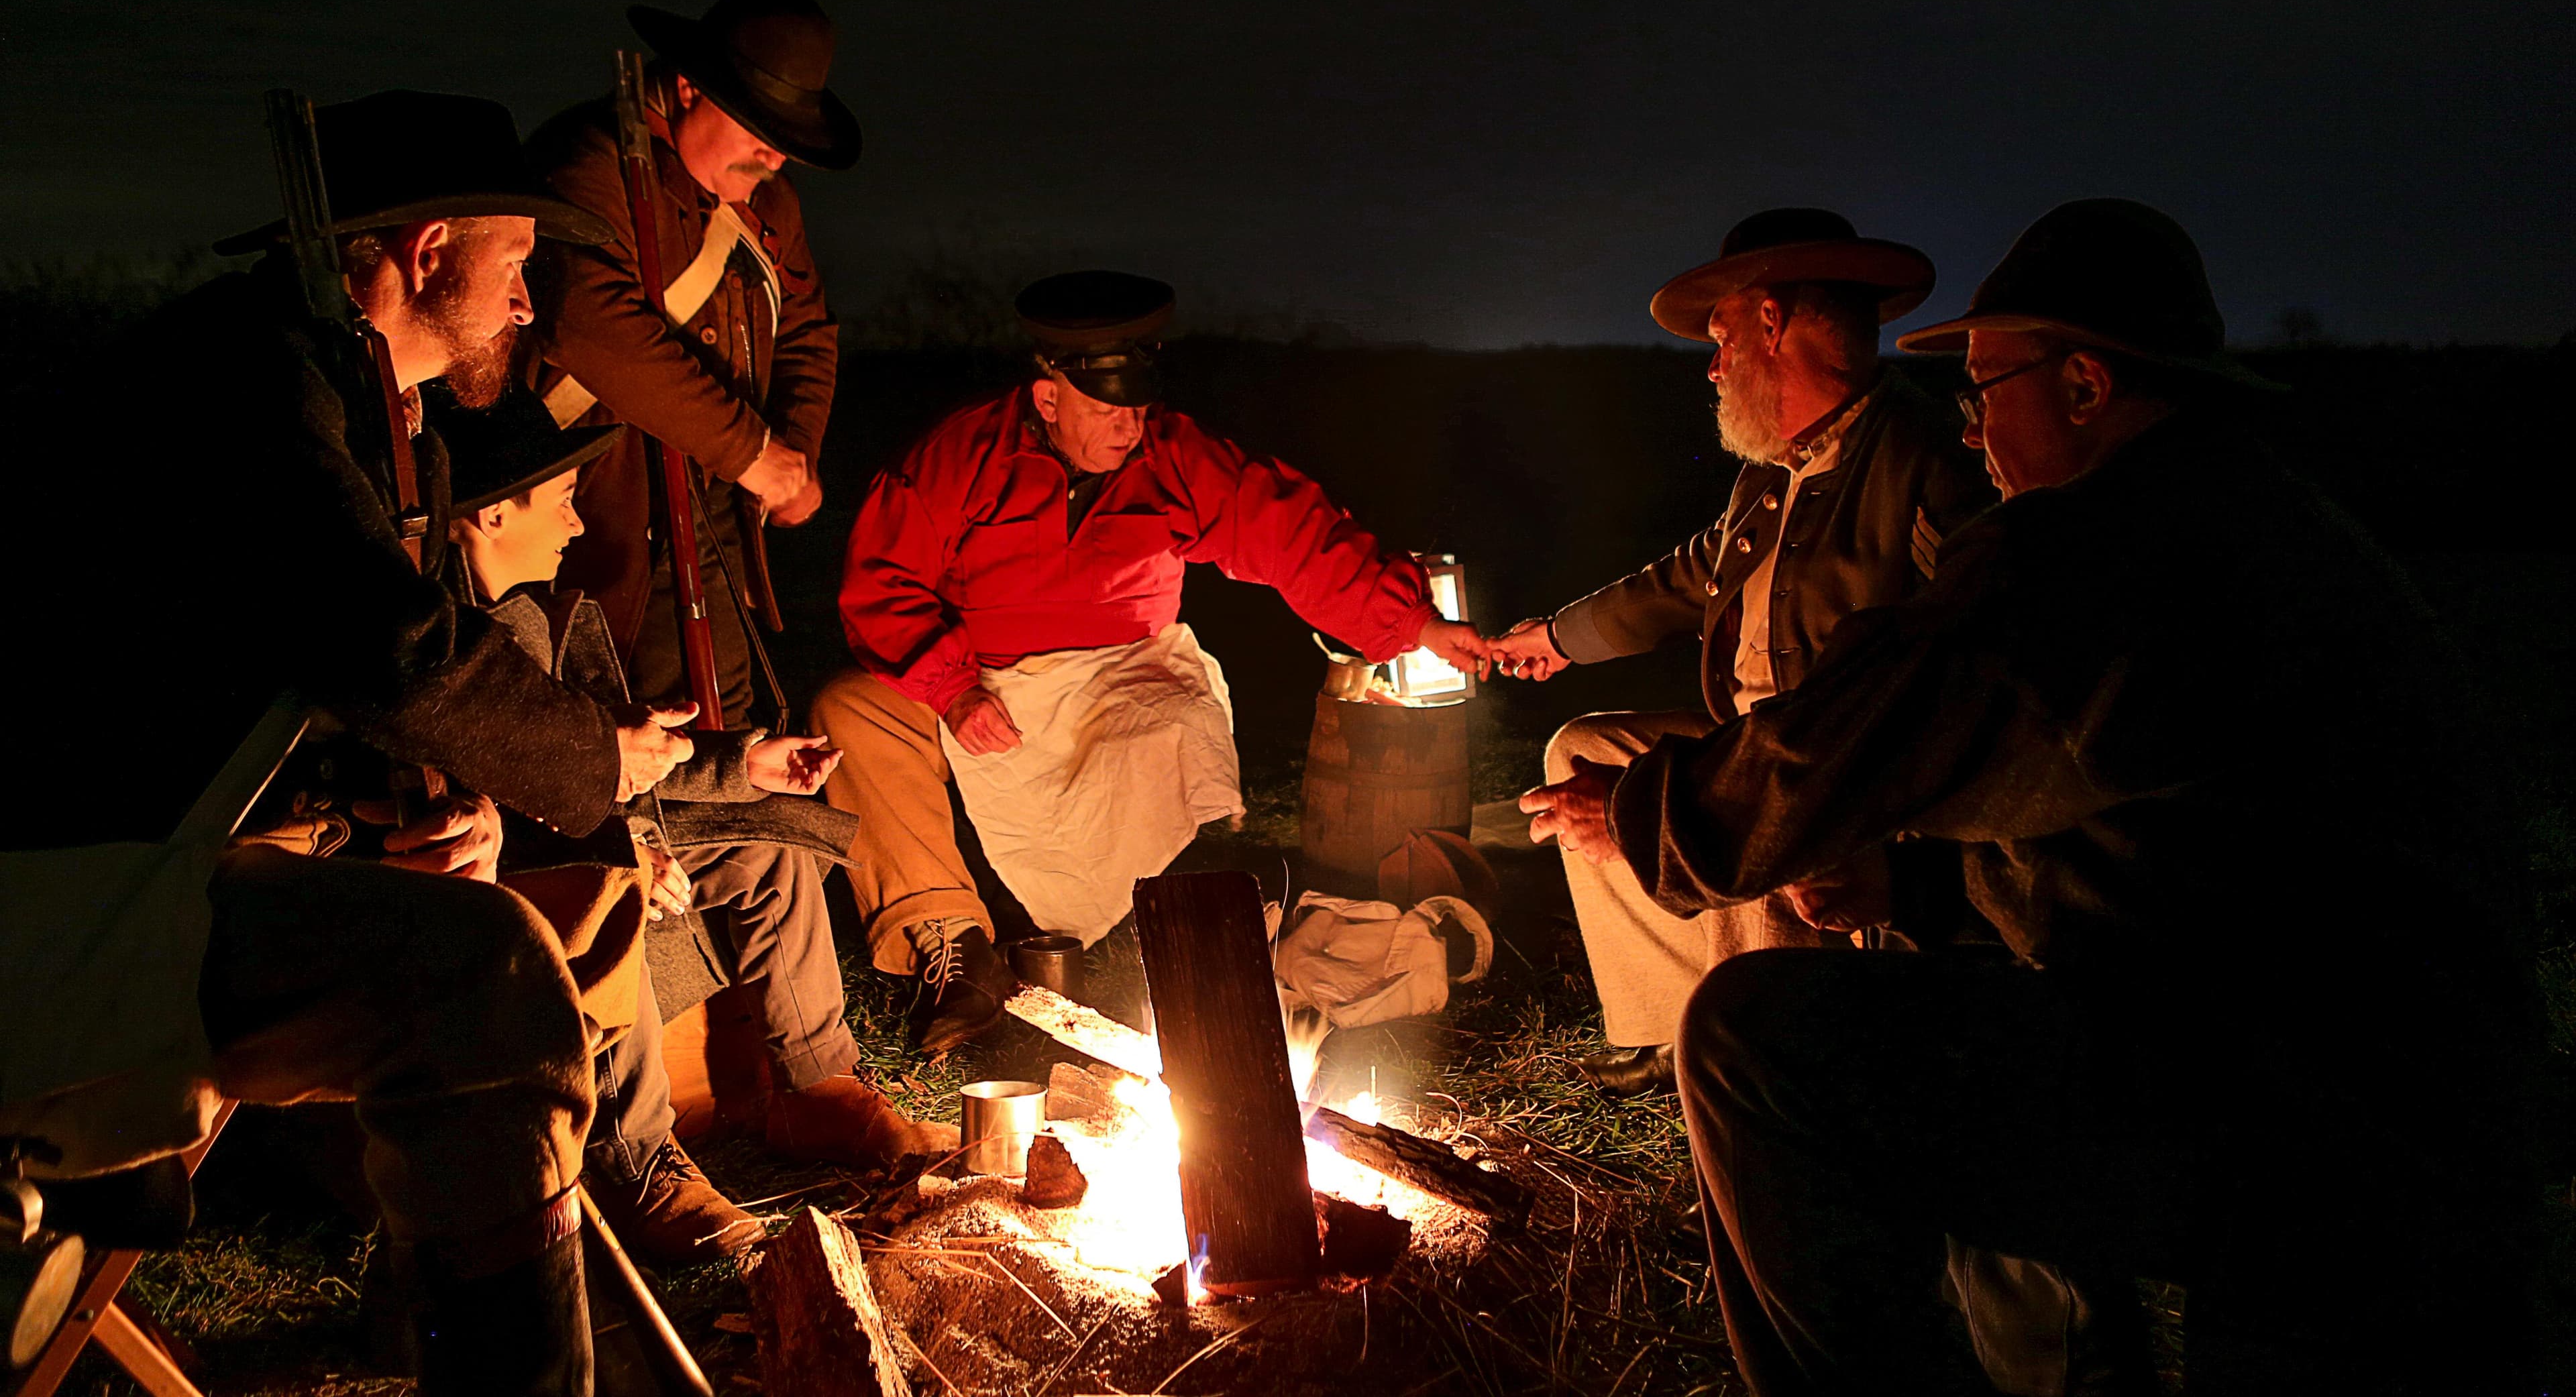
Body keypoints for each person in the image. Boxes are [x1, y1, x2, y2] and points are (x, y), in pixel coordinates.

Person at [1522, 200, 2538, 1392]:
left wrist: (1654, 817)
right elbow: (2137, 829)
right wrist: (1907, 880)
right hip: (2379, 1081)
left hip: (2294, 1107)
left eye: (1990, 389)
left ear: (2086, 386)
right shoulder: (2262, 517)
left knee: (1764, 1043)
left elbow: (1882, 719)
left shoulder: (2099, 548)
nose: (1976, 428)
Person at [0, 91, 694, 1394]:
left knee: (486, 953)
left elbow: (264, 677)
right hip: (55, 909)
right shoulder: (241, 377)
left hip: (132, 877)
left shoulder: (326, 382)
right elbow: (380, 641)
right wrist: (597, 764)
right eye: (516, 265)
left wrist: (418, 812)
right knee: (479, 981)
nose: (531, 304)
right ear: (429, 254)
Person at [814, 271, 1493, 1050]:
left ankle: (1183, 925)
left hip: (1120, 669)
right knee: (850, 710)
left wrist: (1413, 623)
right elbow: (881, 584)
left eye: (1138, 408)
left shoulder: (1171, 454)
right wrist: (954, 689)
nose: (1128, 429)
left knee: (1180, 719)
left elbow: (1286, 530)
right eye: (1107, 411)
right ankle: (955, 947)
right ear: (1048, 397)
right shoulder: (957, 458)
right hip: (979, 671)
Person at [1489, 209, 1994, 1097]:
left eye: (1722, 338)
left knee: (1753, 800)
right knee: (1584, 751)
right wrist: (1559, 637)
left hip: (1841, 769)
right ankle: (1668, 1027)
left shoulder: (1923, 457)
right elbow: (1690, 576)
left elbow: (1968, 653)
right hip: (1753, 740)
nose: (1714, 368)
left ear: (1771, 320)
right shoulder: (1771, 471)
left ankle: (1768, 1077)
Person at [438, 398, 955, 1265]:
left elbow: (611, 755)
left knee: (768, 845)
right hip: (515, 886)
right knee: (609, 895)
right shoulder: (451, 642)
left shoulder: (536, 614)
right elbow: (502, 798)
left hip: (600, 835)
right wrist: (628, 846)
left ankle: (816, 1086)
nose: (576, 520)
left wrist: (741, 768)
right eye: (561, 498)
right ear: (492, 515)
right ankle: (639, 1161)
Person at [526, 0, 857, 726]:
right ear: (687, 89)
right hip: (588, 523)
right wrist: (749, 451)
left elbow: (807, 329)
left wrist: (790, 454)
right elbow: (585, 320)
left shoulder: (769, 206)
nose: (775, 157)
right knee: (602, 758)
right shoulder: (590, 161)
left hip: (715, 526)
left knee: (728, 738)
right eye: (759, 129)